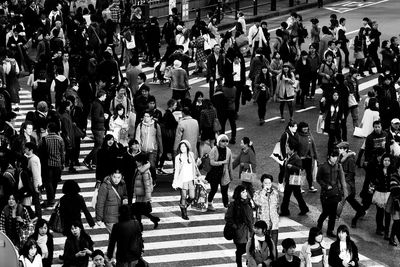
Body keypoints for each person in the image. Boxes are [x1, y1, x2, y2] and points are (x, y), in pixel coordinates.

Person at [316, 150, 348, 237]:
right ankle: (319, 225)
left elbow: (340, 179)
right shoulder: (323, 167)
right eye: (333, 156)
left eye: (336, 156)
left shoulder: (338, 166)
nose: (335, 158)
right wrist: (325, 186)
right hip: (325, 194)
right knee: (325, 212)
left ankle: (330, 231)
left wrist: (342, 191)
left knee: (333, 214)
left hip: (335, 193)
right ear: (329, 156)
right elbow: (318, 179)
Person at [335, 142, 364, 227]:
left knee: (341, 200)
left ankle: (336, 216)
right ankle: (361, 211)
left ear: (345, 149)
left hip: (347, 184)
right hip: (343, 182)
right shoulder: (341, 157)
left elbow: (351, 174)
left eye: (341, 148)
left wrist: (344, 182)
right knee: (351, 199)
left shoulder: (350, 160)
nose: (339, 150)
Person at [225, 185, 254, 267]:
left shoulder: (248, 202)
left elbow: (250, 217)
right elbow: (228, 217)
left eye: (246, 192)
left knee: (250, 248)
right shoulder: (234, 204)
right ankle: (239, 264)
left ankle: (249, 263)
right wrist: (235, 227)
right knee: (241, 250)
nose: (245, 194)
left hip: (249, 230)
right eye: (243, 192)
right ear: (239, 193)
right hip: (239, 231)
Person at [280, 140, 309, 216]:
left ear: (292, 150)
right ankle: (303, 209)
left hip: (294, 179)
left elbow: (300, 169)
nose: (286, 149)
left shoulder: (296, 158)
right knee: (295, 195)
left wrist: (292, 167)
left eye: (288, 148)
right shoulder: (289, 156)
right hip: (290, 179)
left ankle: (285, 211)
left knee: (289, 196)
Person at [39, 122, 65, 208]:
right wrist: (63, 163)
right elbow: (62, 152)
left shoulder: (44, 139)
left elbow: (41, 151)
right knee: (54, 182)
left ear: (48, 129)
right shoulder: (60, 139)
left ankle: (51, 199)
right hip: (57, 164)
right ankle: (51, 198)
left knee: (48, 182)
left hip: (47, 164)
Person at [96, 168, 128, 233]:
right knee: (117, 237)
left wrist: (125, 199)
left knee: (113, 238)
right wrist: (99, 218)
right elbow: (100, 203)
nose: (116, 180)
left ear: (121, 177)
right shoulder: (105, 186)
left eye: (119, 177)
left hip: (119, 215)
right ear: (111, 176)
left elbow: (125, 195)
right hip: (109, 217)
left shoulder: (122, 184)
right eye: (114, 177)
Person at [173, 140, 199, 220]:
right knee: (183, 196)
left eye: (184, 146)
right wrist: (175, 182)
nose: (182, 148)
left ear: (187, 147)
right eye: (181, 147)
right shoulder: (178, 158)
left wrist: (197, 176)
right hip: (182, 180)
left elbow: (194, 166)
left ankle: (183, 206)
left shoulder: (191, 155)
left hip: (191, 179)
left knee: (192, 196)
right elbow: (176, 170)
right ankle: (184, 213)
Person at [133, 153, 160, 230]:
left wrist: (148, 198)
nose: (136, 162)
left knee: (138, 211)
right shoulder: (139, 169)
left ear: (141, 162)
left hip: (143, 195)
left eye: (137, 161)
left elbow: (147, 186)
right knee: (140, 211)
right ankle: (153, 219)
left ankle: (140, 226)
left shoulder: (145, 172)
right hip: (139, 194)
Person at [207, 134, 233, 210]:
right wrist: (222, 162)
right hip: (214, 173)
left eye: (226, 141)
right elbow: (211, 162)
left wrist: (231, 175)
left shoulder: (228, 151)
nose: (225, 143)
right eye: (223, 141)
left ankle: (226, 205)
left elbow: (230, 164)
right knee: (213, 190)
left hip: (224, 173)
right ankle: (209, 204)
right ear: (218, 142)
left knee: (224, 191)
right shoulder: (214, 149)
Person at [135, 110, 163, 182]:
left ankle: (153, 179)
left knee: (152, 165)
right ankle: (144, 181)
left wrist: (161, 150)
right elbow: (137, 138)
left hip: (153, 150)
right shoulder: (140, 125)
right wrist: (137, 149)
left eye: (147, 116)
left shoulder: (156, 125)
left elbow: (159, 138)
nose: (145, 118)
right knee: (142, 166)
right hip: (142, 150)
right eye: (144, 116)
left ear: (151, 117)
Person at [253, 174, 279, 250]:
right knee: (263, 246)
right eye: (266, 183)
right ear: (262, 183)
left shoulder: (275, 193)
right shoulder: (257, 193)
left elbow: (277, 205)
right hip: (263, 223)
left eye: (269, 183)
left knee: (273, 246)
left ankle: (274, 260)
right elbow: (257, 202)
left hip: (274, 222)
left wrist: (276, 217)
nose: (268, 185)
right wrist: (263, 192)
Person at [83, 90, 107, 170]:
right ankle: (87, 160)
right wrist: (104, 117)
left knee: (97, 145)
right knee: (99, 146)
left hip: (97, 127)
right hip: (98, 128)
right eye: (105, 96)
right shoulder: (98, 105)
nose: (106, 97)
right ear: (102, 96)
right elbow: (96, 118)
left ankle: (94, 163)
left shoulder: (96, 103)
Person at [371, 153, 393, 238]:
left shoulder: (392, 170)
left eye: (388, 160)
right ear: (382, 161)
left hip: (389, 194)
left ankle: (386, 232)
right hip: (379, 193)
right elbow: (373, 180)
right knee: (380, 213)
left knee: (387, 214)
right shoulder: (378, 169)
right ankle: (379, 228)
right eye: (385, 160)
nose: (387, 162)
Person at [296, 122, 318, 192]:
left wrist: (315, 156)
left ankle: (310, 186)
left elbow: (313, 145)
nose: (306, 129)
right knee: (299, 173)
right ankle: (298, 188)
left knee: (309, 173)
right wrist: (298, 157)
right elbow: (295, 148)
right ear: (300, 128)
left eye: (307, 127)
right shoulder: (297, 136)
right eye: (304, 127)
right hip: (300, 158)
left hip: (309, 157)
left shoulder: (309, 134)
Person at [387, 165, 400, 246]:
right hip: (395, 202)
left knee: (398, 222)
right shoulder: (394, 177)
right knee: (397, 221)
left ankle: (392, 238)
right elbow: (394, 190)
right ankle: (394, 238)